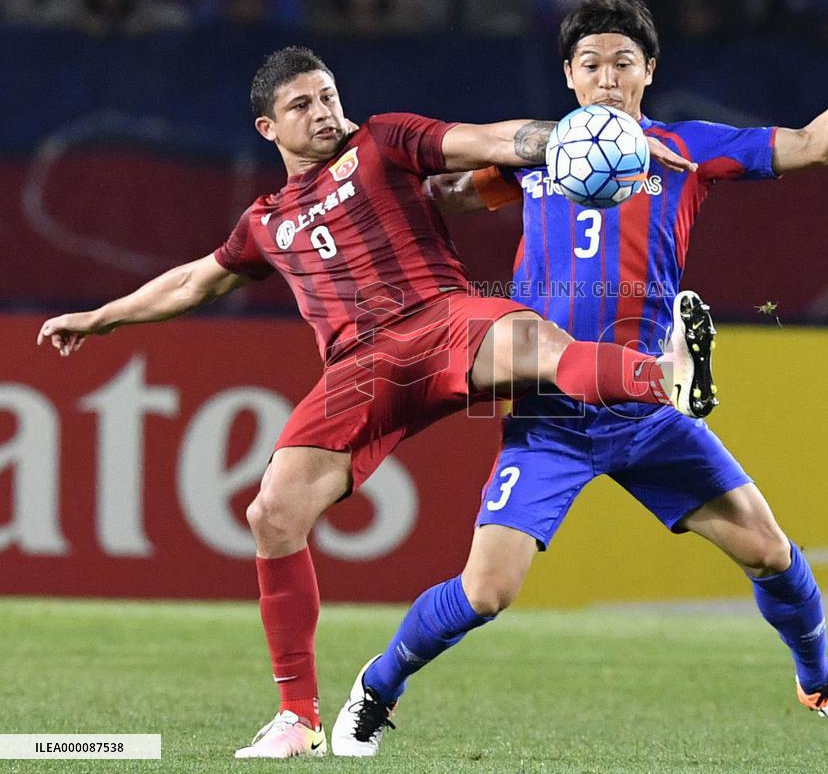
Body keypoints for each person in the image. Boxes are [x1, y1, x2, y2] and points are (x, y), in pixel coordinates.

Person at [331, 0, 828, 756]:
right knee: (487, 591)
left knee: (771, 550)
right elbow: (446, 197)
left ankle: (819, 680)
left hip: (644, 408)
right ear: (568, 74)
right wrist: (445, 176)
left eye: (624, 63)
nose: (607, 78)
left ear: (648, 71)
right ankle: (377, 687)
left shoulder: (686, 151)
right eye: (590, 64)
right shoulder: (537, 154)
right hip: (549, 410)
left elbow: (815, 144)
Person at [36, 45, 703, 759]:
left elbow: (490, 140)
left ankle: (663, 375)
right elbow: (194, 282)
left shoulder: (384, 140)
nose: (323, 112)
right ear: (268, 129)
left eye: (327, 96)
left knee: (534, 343)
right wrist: (100, 317)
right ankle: (297, 716)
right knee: (273, 511)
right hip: (359, 370)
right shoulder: (267, 221)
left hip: (441, 318)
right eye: (302, 105)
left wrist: (576, 136)